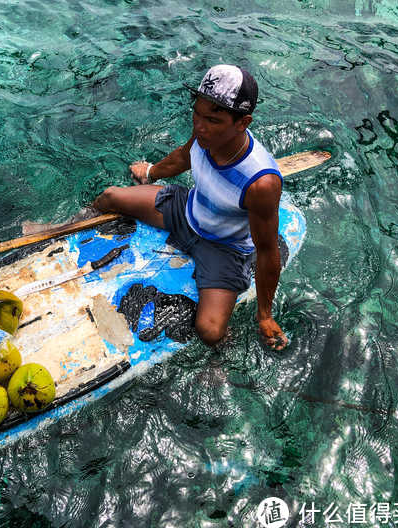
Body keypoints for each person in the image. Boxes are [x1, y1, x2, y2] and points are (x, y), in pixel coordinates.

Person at [93, 64, 287, 350]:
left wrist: (265, 315)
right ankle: (67, 225)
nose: (199, 125)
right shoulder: (206, 135)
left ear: (243, 123)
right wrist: (151, 173)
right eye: (196, 113)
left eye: (212, 119)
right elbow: (184, 156)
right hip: (187, 211)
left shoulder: (261, 184)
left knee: (210, 331)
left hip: (225, 248)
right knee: (110, 197)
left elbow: (268, 251)